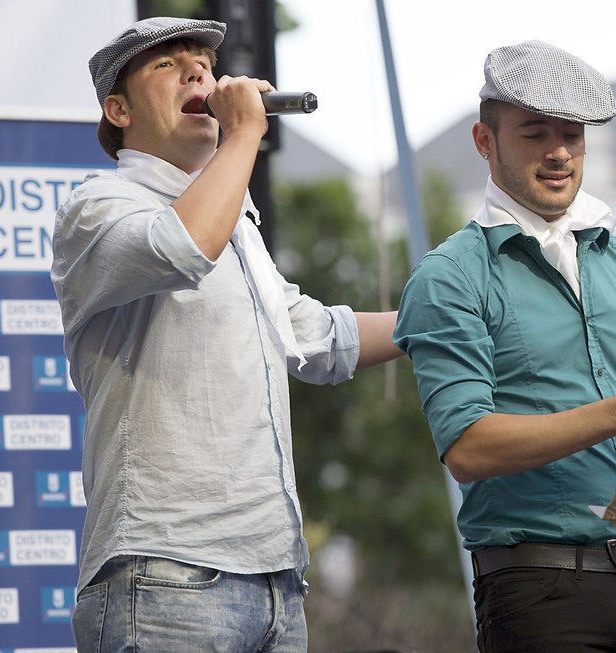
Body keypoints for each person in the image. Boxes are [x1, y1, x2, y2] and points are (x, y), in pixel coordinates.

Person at [51, 16, 401, 651]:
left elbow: (318, 340)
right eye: (167, 64)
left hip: (274, 582)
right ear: (118, 109)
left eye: (204, 65)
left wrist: (439, 322)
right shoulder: (100, 205)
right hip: (164, 578)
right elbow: (181, 246)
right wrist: (242, 135)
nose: (197, 72)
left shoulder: (236, 225)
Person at [393, 40, 616, 652]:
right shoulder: (448, 276)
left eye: (571, 134)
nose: (558, 152)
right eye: (533, 133)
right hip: (537, 591)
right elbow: (467, 448)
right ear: (484, 141)